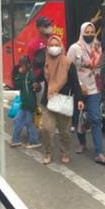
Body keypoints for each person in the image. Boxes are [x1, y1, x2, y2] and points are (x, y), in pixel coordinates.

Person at [70, 22, 105, 165]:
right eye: (86, 32)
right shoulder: (75, 48)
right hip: (79, 90)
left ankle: (99, 152)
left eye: (92, 31)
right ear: (82, 32)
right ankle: (82, 143)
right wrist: (79, 85)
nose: (89, 34)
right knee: (79, 118)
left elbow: (101, 67)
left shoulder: (98, 46)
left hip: (95, 89)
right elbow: (69, 69)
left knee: (96, 119)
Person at [40, 34, 79, 165]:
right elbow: (39, 77)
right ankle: (48, 153)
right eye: (51, 45)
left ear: (61, 47)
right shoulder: (45, 62)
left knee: (65, 131)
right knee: (46, 128)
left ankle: (65, 152)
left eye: (56, 45)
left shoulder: (68, 63)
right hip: (48, 101)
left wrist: (79, 100)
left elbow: (75, 83)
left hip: (63, 102)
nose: (53, 48)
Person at [10, 56, 41, 149]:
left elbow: (37, 88)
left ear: (27, 66)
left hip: (30, 104)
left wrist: (37, 86)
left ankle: (34, 141)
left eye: (22, 66)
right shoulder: (22, 76)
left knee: (29, 122)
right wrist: (19, 75)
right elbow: (17, 85)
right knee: (18, 120)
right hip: (24, 104)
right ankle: (15, 140)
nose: (21, 68)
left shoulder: (31, 76)